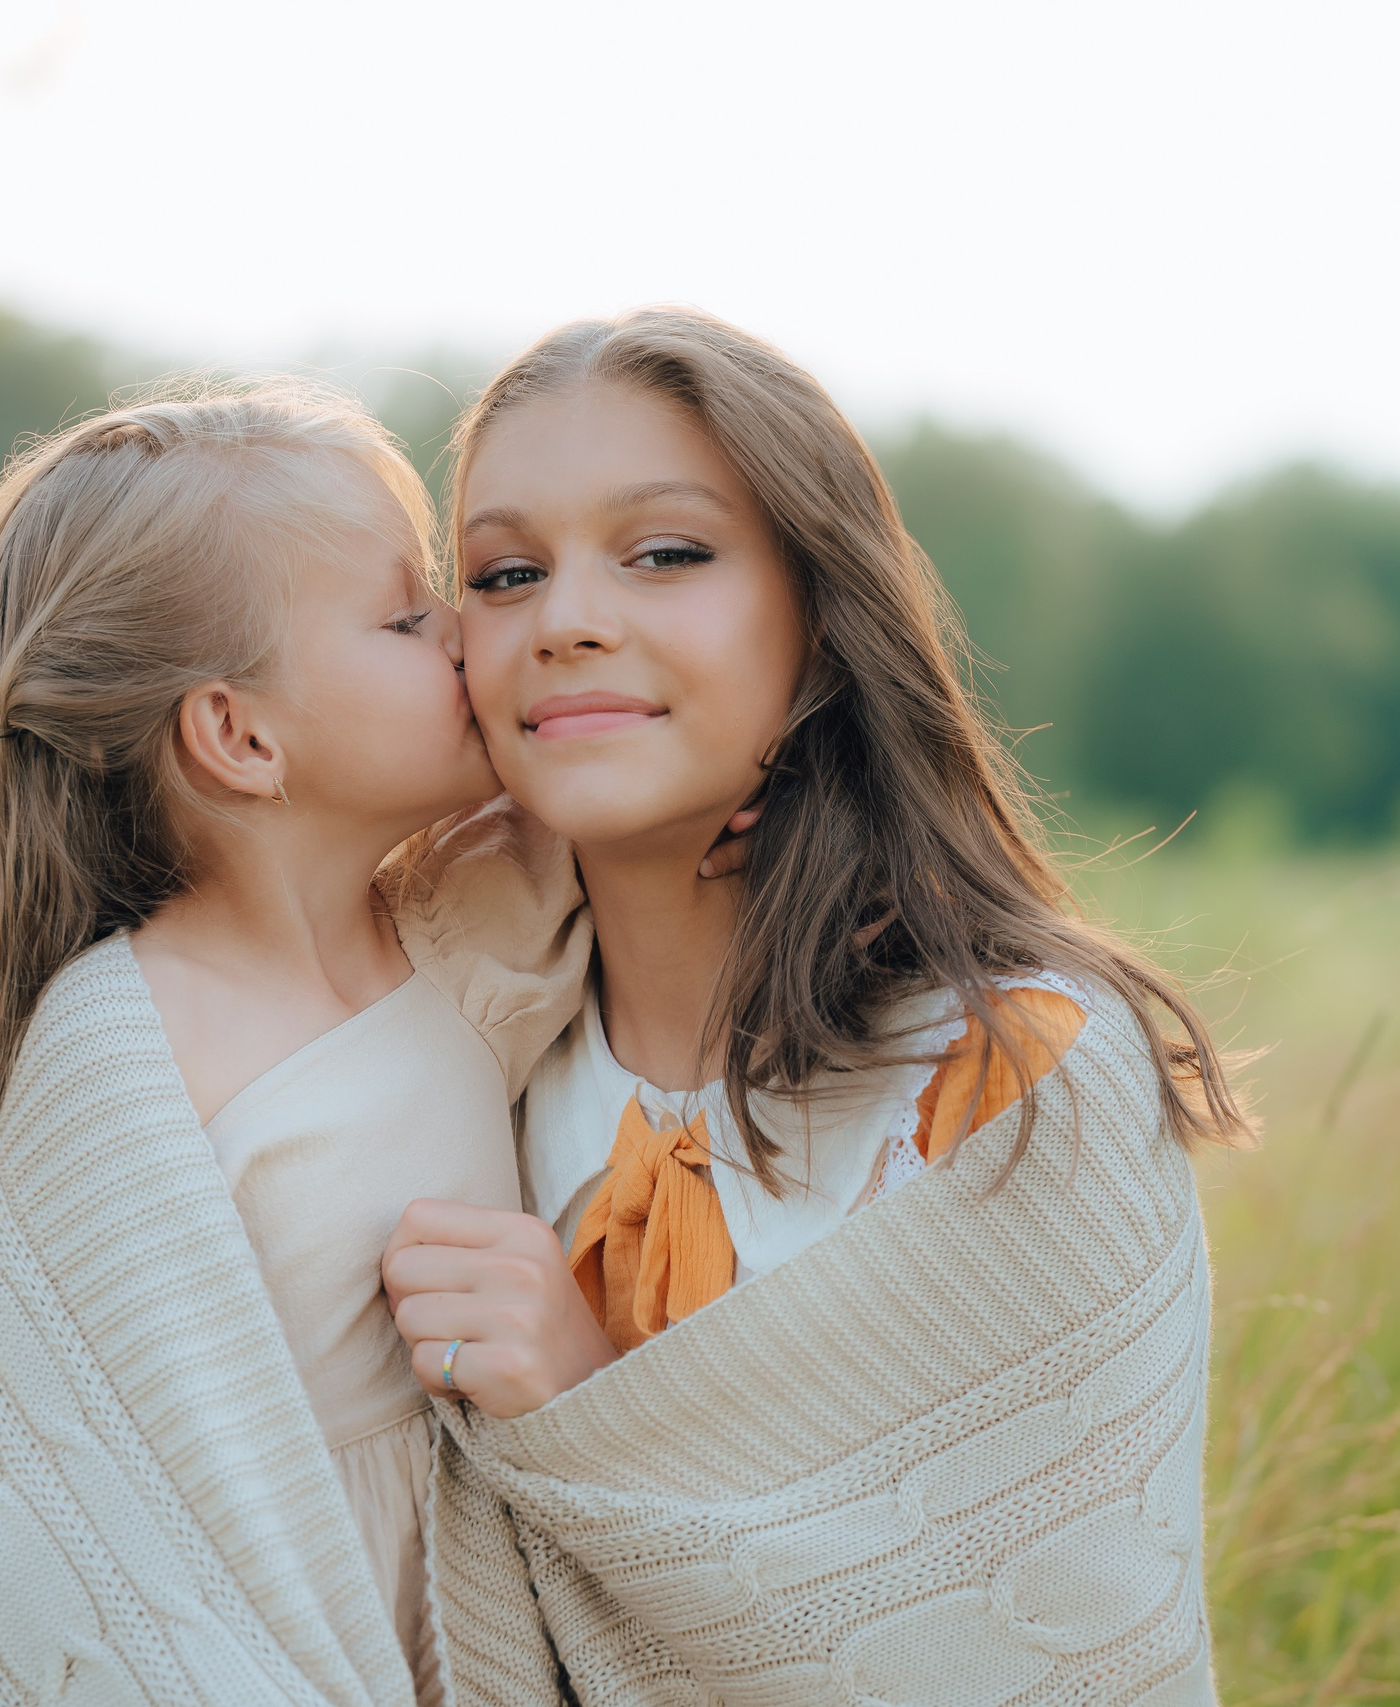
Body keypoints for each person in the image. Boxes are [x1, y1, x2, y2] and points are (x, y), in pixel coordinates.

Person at [384, 308, 1258, 1707]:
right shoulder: (442, 1061)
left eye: (667, 553)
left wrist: (576, 1400)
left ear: (820, 614)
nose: (569, 621)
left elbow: (1044, 1657)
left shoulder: (1016, 1081)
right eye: (503, 574)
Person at [0, 381, 651, 1706]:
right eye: (409, 617)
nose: (469, 636)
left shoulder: (455, 933)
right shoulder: (128, 1060)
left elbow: (656, 805)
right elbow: (86, 1532)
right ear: (241, 736)